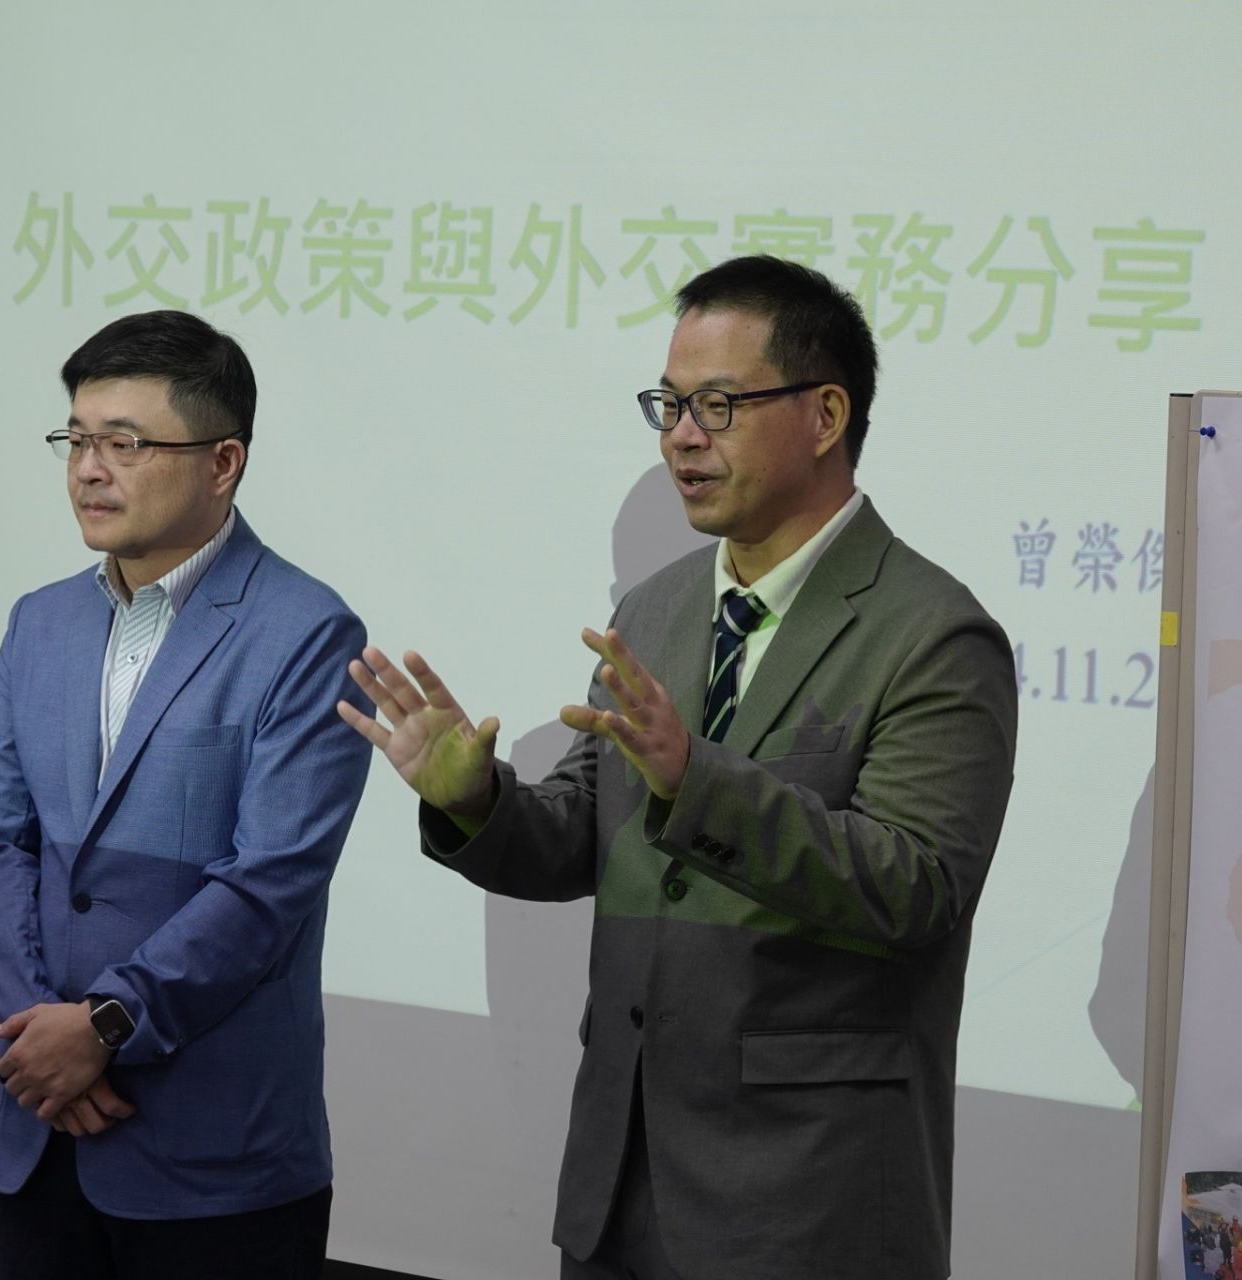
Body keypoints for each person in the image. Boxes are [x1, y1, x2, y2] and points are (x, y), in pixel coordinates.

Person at [339, 255, 1016, 1280]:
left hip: (807, 1200)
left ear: (826, 415)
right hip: (622, 1179)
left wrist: (696, 781)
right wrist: (476, 799)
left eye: (717, 405)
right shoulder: (655, 607)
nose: (681, 436)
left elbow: (916, 886)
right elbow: (585, 834)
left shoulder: (934, 634)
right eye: (669, 404)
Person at [0, 311, 371, 1279]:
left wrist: (102, 1026)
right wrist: (39, 1040)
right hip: (40, 1123)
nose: (89, 470)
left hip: (214, 1155)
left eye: (125, 443)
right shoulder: (39, 622)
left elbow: (269, 882)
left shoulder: (307, 632)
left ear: (223, 462)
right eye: (77, 440)